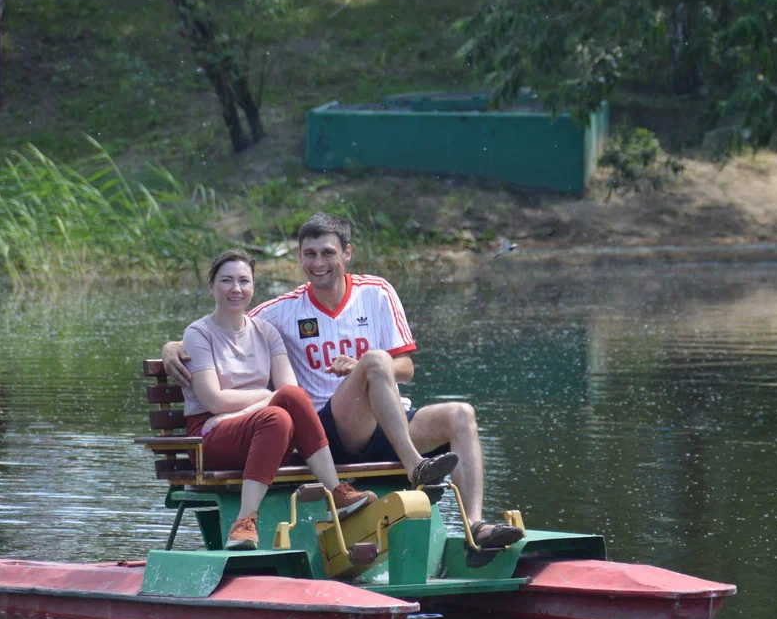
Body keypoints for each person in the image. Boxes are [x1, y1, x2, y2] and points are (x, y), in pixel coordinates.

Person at [164, 213, 525, 549]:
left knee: (460, 413)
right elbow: (228, 318)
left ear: (347, 254)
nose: (318, 263)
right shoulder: (284, 309)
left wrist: (363, 368)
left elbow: (407, 368)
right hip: (329, 430)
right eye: (309, 255)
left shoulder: (378, 292)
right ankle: (416, 467)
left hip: (391, 424)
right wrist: (174, 346)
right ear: (300, 258)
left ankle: (475, 527)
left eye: (327, 253)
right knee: (374, 361)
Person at [180, 248, 377, 551]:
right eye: (226, 281)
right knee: (279, 413)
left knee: (283, 412)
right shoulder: (199, 334)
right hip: (210, 437)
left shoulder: (266, 331)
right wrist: (266, 397)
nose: (236, 289)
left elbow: (291, 392)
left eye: (244, 281)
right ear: (211, 286)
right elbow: (213, 401)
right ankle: (246, 522)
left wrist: (261, 402)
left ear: (253, 288)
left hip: (263, 432)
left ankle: (334, 494)